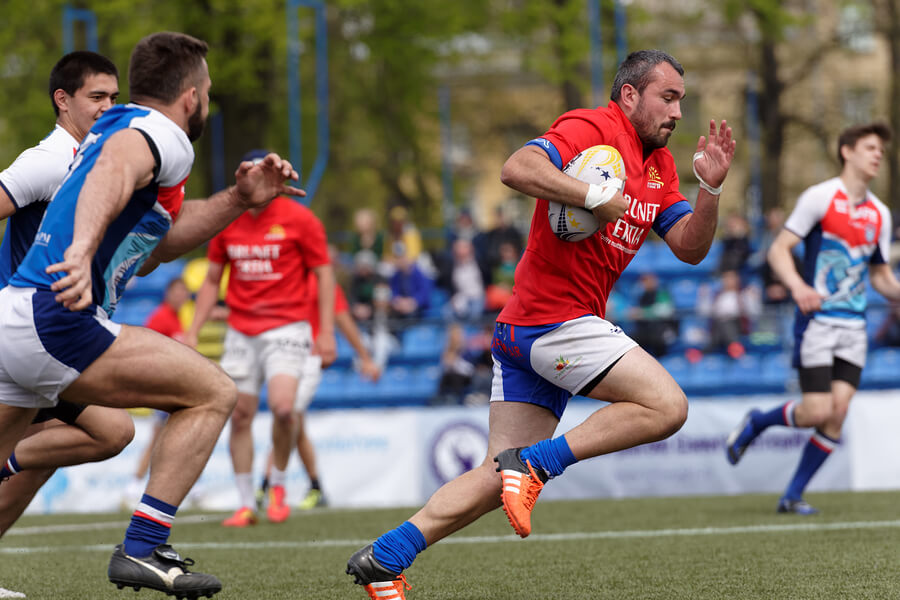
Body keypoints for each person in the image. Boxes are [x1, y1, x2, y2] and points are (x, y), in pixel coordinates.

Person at [345, 49, 735, 598]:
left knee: (492, 476)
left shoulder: (661, 168)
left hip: (535, 328)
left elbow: (690, 249)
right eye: (666, 97)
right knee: (667, 406)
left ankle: (387, 555)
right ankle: (536, 466)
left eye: (681, 102)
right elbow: (516, 168)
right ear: (630, 95)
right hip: (553, 321)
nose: (676, 111)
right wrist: (594, 194)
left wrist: (711, 189)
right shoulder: (592, 126)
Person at [0, 32, 304, 598]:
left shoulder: (127, 131)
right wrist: (82, 249)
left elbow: (156, 247)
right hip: (56, 317)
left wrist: (239, 199)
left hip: (18, 315)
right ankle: (143, 548)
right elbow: (114, 171)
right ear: (191, 96)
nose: (208, 100)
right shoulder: (160, 133)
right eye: (208, 89)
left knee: (99, 433)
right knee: (213, 391)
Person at [725, 122, 900, 515]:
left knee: (837, 414)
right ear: (847, 151)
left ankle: (792, 496)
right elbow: (779, 250)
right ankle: (757, 422)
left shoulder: (880, 214)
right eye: (870, 148)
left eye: (881, 152)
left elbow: (880, 277)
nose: (877, 156)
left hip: (855, 328)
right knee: (817, 411)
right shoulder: (820, 198)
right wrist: (797, 286)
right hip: (818, 322)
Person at [0, 52, 135, 548]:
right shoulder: (49, 161)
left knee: (40, 461)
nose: (108, 106)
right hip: (26, 332)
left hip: (55, 336)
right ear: (63, 101)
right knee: (111, 431)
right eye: (96, 97)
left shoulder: (99, 163)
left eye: (114, 98)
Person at [183, 149, 337, 528]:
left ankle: (279, 485)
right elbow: (211, 280)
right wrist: (191, 331)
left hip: (288, 327)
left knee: (285, 409)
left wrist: (328, 332)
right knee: (239, 416)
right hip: (241, 330)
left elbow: (325, 276)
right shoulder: (227, 222)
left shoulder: (300, 219)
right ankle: (244, 502)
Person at [257, 272, 381, 510]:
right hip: (282, 356)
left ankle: (266, 484)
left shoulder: (323, 280)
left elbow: (342, 318)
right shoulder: (284, 273)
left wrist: (365, 357)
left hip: (309, 358)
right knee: (295, 423)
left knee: (288, 414)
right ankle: (316, 487)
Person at [124, 277, 192, 507]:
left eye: (185, 291)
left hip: (175, 388)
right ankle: (136, 486)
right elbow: (149, 349)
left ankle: (141, 486)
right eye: (178, 291)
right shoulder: (162, 317)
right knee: (163, 439)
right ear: (169, 293)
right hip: (167, 389)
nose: (182, 296)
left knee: (172, 439)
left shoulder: (176, 318)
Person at [628, 272, 677, 357]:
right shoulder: (643, 296)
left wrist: (643, 313)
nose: (646, 283)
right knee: (630, 341)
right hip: (645, 330)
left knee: (657, 340)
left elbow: (665, 311)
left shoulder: (662, 293)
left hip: (662, 329)